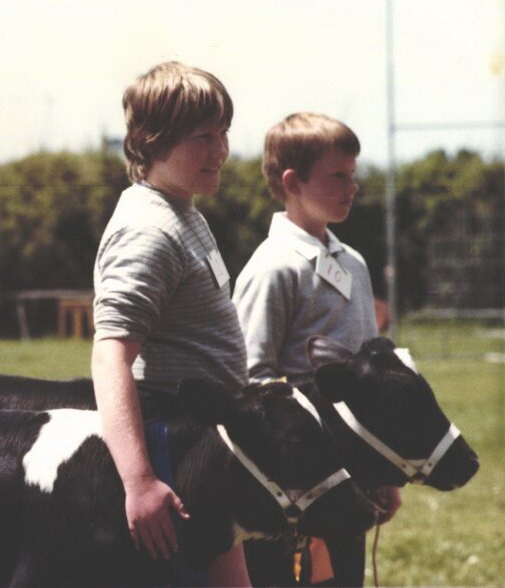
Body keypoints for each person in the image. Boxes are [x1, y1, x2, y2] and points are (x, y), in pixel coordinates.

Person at [92, 61, 251, 586]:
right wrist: (139, 481)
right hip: (170, 450)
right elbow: (110, 352)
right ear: (148, 138)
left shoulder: (182, 212)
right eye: (203, 136)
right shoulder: (149, 229)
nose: (220, 150)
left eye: (224, 132)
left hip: (200, 443)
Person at [232, 112, 401, 586]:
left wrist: (382, 470)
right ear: (292, 181)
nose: (353, 187)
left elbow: (373, 372)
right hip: (296, 486)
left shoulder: (356, 264)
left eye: (354, 175)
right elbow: (252, 378)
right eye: (338, 176)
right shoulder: (271, 268)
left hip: (355, 478)